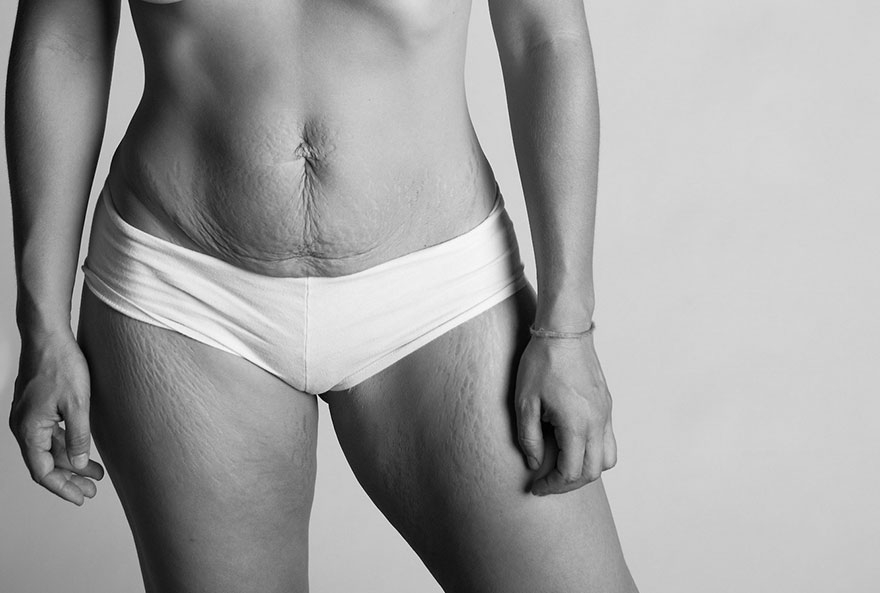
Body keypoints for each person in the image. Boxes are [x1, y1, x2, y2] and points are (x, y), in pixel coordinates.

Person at [6, 0, 638, 590]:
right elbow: (61, 40)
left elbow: (544, 37)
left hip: (441, 293)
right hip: (183, 294)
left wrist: (566, 329)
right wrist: (42, 331)